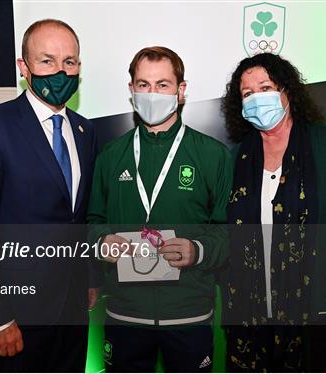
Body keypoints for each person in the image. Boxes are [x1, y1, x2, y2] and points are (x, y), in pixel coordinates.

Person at [221, 53, 326, 372]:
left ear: (287, 91)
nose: (257, 99)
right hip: (249, 324)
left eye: (265, 87)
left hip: (321, 321)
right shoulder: (234, 159)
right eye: (247, 94)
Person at [0, 19, 99, 372]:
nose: (60, 71)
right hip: (18, 315)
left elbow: (79, 218)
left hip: (73, 311)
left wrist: (91, 280)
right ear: (24, 68)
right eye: (47, 61)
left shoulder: (85, 130)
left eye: (69, 62)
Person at [87, 46, 232, 372]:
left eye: (162, 84)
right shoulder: (110, 156)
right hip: (125, 314)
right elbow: (93, 220)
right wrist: (101, 243)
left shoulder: (213, 155)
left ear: (180, 91)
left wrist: (198, 250)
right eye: (143, 84)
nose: (152, 93)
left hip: (189, 314)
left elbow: (229, 231)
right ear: (131, 91)